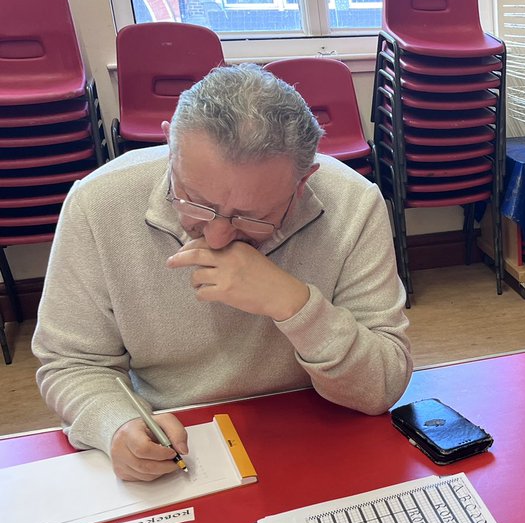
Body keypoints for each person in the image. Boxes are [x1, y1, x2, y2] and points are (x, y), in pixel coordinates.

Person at [33, 64, 413, 481]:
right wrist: (116, 423)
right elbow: (72, 362)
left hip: (321, 430)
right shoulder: (98, 203)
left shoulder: (354, 205)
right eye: (193, 201)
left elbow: (381, 386)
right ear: (170, 146)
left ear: (303, 182)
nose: (216, 238)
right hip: (176, 439)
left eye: (254, 217)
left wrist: (294, 304)